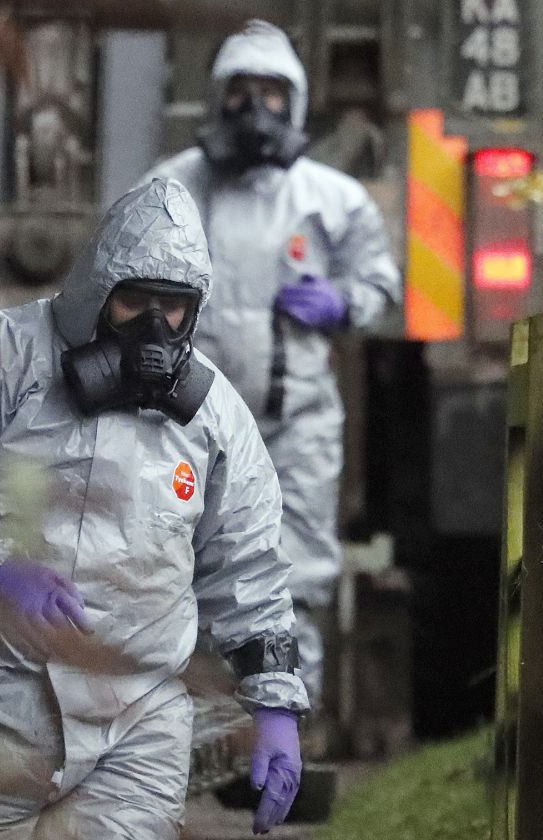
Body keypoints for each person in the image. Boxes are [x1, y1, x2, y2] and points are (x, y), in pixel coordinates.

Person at [0, 177, 309, 839]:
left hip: (134, 729)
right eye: (132, 300)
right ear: (94, 292)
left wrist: (275, 703)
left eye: (172, 307)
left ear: (195, 309)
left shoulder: (215, 417)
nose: (152, 325)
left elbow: (246, 559)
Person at [143, 20, 402, 704]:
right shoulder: (170, 191)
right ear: (217, 95)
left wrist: (344, 302)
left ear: (296, 99)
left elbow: (380, 283)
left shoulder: (331, 200)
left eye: (272, 92)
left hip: (296, 423)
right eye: (241, 90)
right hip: (186, 423)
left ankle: (282, 730)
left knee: (291, 575)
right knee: (177, 564)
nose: (256, 108)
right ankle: (191, 732)